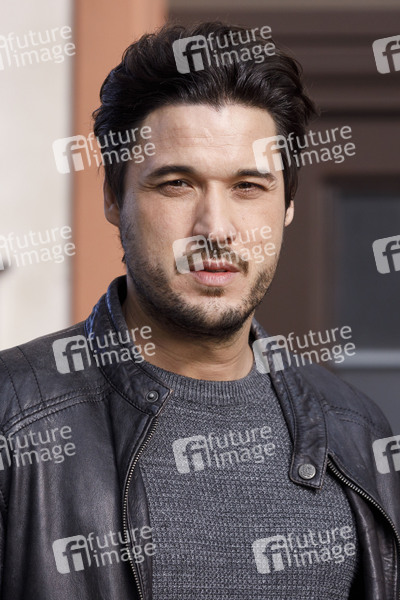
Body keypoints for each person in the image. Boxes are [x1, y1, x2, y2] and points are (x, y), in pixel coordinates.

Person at [0, 21, 399, 600]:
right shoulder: (14, 416)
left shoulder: (357, 431)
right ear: (113, 197)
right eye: (176, 184)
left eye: (248, 187)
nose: (215, 229)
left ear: (287, 204)